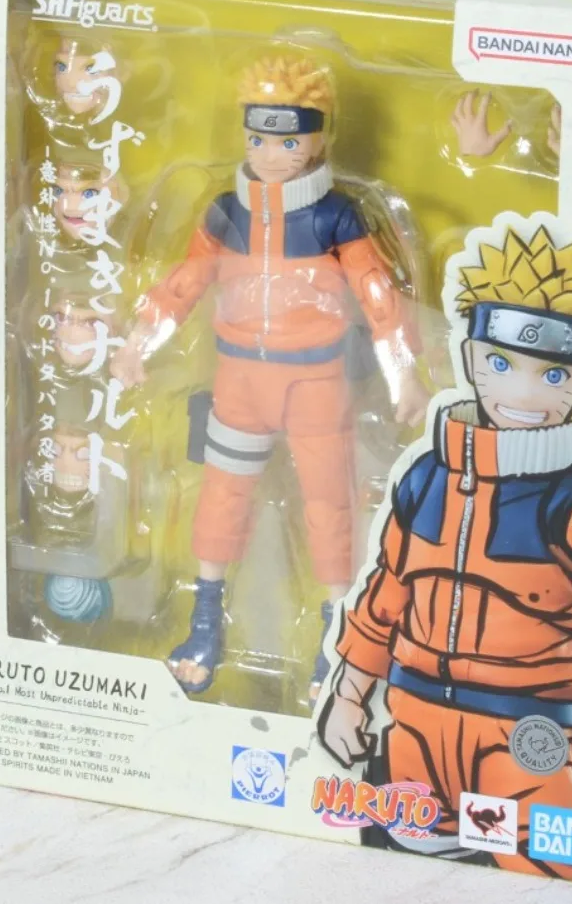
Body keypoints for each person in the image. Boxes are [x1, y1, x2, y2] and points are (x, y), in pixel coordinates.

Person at [319, 225, 572, 879]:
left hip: (526, 739)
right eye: (501, 364)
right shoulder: (424, 480)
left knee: (553, 872)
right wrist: (349, 695)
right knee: (393, 870)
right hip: (412, 728)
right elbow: (384, 597)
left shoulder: (571, 501)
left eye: (553, 373)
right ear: (470, 358)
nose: (524, 394)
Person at [111, 55, 429, 701]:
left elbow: (378, 294)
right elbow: (185, 282)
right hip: (240, 382)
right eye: (259, 138)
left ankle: (337, 636)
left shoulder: (337, 217)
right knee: (222, 497)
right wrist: (139, 340)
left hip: (316, 385)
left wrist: (404, 374)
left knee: (329, 504)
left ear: (317, 139)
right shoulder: (226, 212)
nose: (272, 155)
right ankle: (205, 622)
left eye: (289, 141)